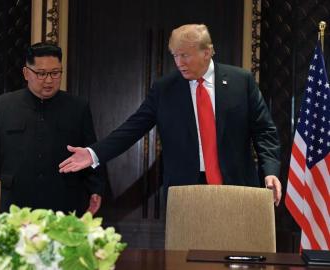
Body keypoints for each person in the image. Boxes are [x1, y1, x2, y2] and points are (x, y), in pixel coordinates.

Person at [59, 24, 282, 205]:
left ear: (207, 52)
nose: (179, 63)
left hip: (238, 187)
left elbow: (264, 131)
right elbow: (132, 129)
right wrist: (94, 154)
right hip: (185, 192)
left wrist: (270, 171)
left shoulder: (240, 81)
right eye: (175, 55)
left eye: (185, 55)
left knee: (236, 256)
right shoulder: (165, 89)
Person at [0, 42, 104, 215]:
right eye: (41, 73)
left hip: (63, 200)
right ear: (26, 73)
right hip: (15, 202)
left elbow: (90, 151)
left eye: (55, 73)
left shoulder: (78, 107)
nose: (48, 80)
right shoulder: (4, 105)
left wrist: (96, 189)